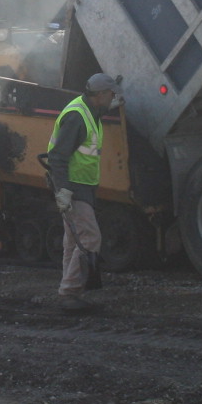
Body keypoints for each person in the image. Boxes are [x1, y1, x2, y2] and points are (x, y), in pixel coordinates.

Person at [46, 71, 121, 312]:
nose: (113, 98)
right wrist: (64, 191)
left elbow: (95, 114)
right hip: (74, 188)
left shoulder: (89, 109)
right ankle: (70, 293)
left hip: (80, 186)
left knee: (72, 241)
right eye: (111, 95)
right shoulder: (77, 117)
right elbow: (57, 156)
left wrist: (112, 106)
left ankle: (67, 292)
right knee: (90, 238)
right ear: (99, 95)